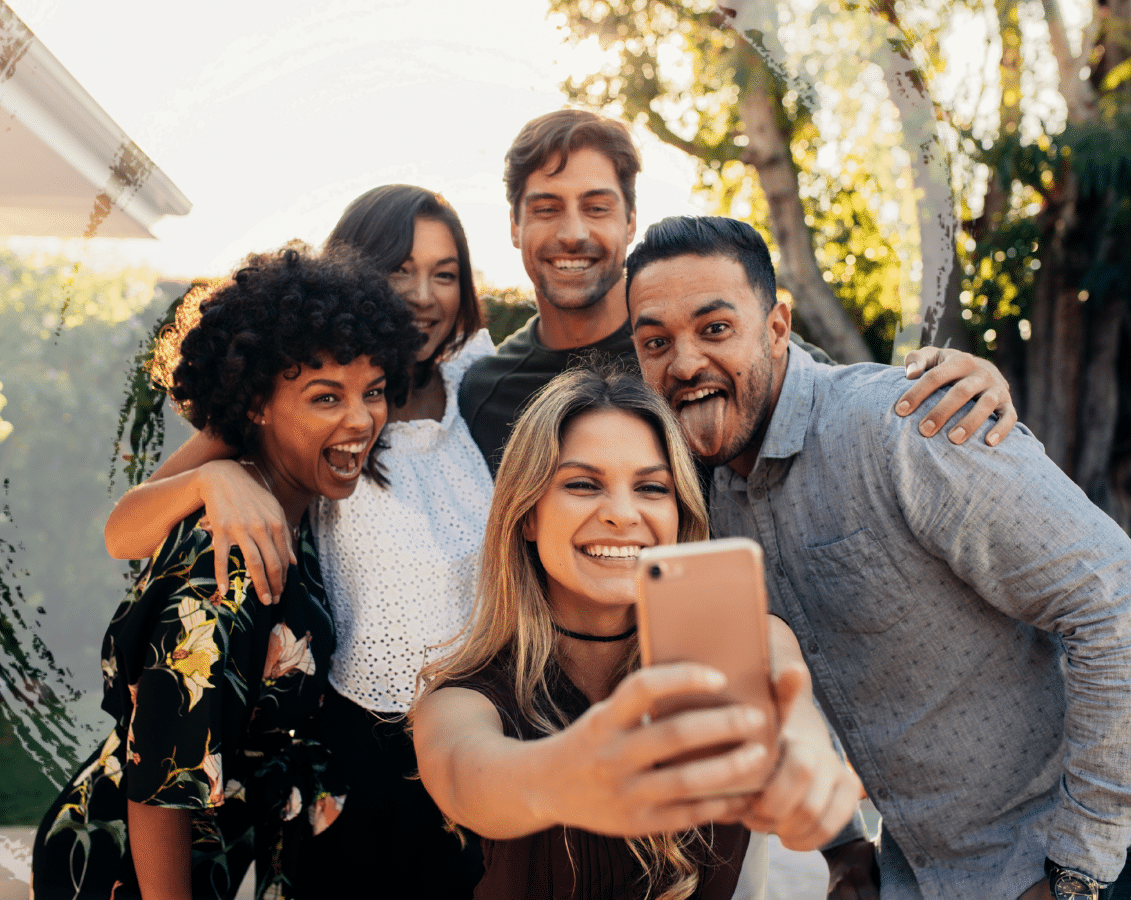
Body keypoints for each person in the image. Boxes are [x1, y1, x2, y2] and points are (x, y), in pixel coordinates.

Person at [624, 215, 1131, 900]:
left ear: (777, 327)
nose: (684, 362)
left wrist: (1075, 873)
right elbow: (785, 685)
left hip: (1099, 867)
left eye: (714, 329)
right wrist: (843, 852)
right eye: (656, 341)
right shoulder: (707, 498)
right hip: (929, 877)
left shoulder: (906, 424)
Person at [101, 186, 493, 897]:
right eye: (401, 269)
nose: (425, 295)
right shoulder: (282, 400)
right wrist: (212, 480)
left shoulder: (470, 384)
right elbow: (123, 528)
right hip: (169, 854)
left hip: (403, 771)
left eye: (446, 272)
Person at [33, 243, 421, 899]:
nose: (362, 420)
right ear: (256, 405)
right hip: (127, 872)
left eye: (374, 392)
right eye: (327, 397)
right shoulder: (228, 555)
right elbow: (162, 775)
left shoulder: (284, 510)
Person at [411, 365, 863, 900]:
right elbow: (469, 780)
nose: (623, 515)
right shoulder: (461, 699)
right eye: (583, 484)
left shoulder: (744, 639)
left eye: (651, 488)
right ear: (527, 515)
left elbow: (794, 711)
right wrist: (566, 776)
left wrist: (810, 770)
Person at [459, 108, 1019, 474]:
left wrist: (961, 379)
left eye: (597, 207)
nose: (574, 233)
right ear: (513, 226)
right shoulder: (484, 394)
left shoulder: (718, 336)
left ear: (630, 222)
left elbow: (837, 401)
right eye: (546, 209)